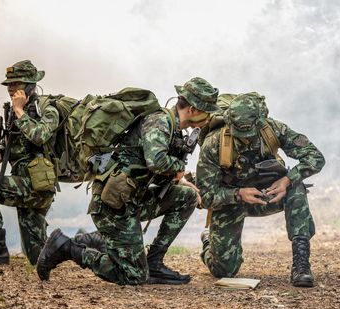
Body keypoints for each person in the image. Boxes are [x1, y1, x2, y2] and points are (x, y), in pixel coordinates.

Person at [36, 77, 220, 285]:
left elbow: (152, 169)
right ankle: (67, 247)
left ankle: (154, 262)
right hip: (113, 206)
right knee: (133, 275)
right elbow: (157, 161)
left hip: (133, 200)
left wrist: (179, 180)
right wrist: (178, 171)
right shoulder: (159, 121)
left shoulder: (173, 128)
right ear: (194, 109)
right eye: (207, 111)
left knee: (186, 197)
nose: (209, 117)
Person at [196, 93, 325, 287]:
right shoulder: (214, 144)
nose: (246, 140)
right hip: (231, 202)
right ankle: (208, 241)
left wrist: (287, 180)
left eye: (250, 134)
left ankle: (301, 265)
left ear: (261, 121)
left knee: (296, 188)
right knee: (224, 270)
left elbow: (316, 157)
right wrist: (238, 194)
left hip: (268, 195)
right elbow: (204, 197)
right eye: (240, 134)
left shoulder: (273, 129)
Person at [0, 60, 59, 265]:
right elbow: (12, 143)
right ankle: (77, 247)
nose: (10, 88)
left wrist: (19, 111)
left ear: (30, 85)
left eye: (15, 83)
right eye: (9, 84)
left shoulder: (47, 109)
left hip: (37, 186)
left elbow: (40, 136)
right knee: (37, 257)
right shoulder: (16, 112)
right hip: (23, 182)